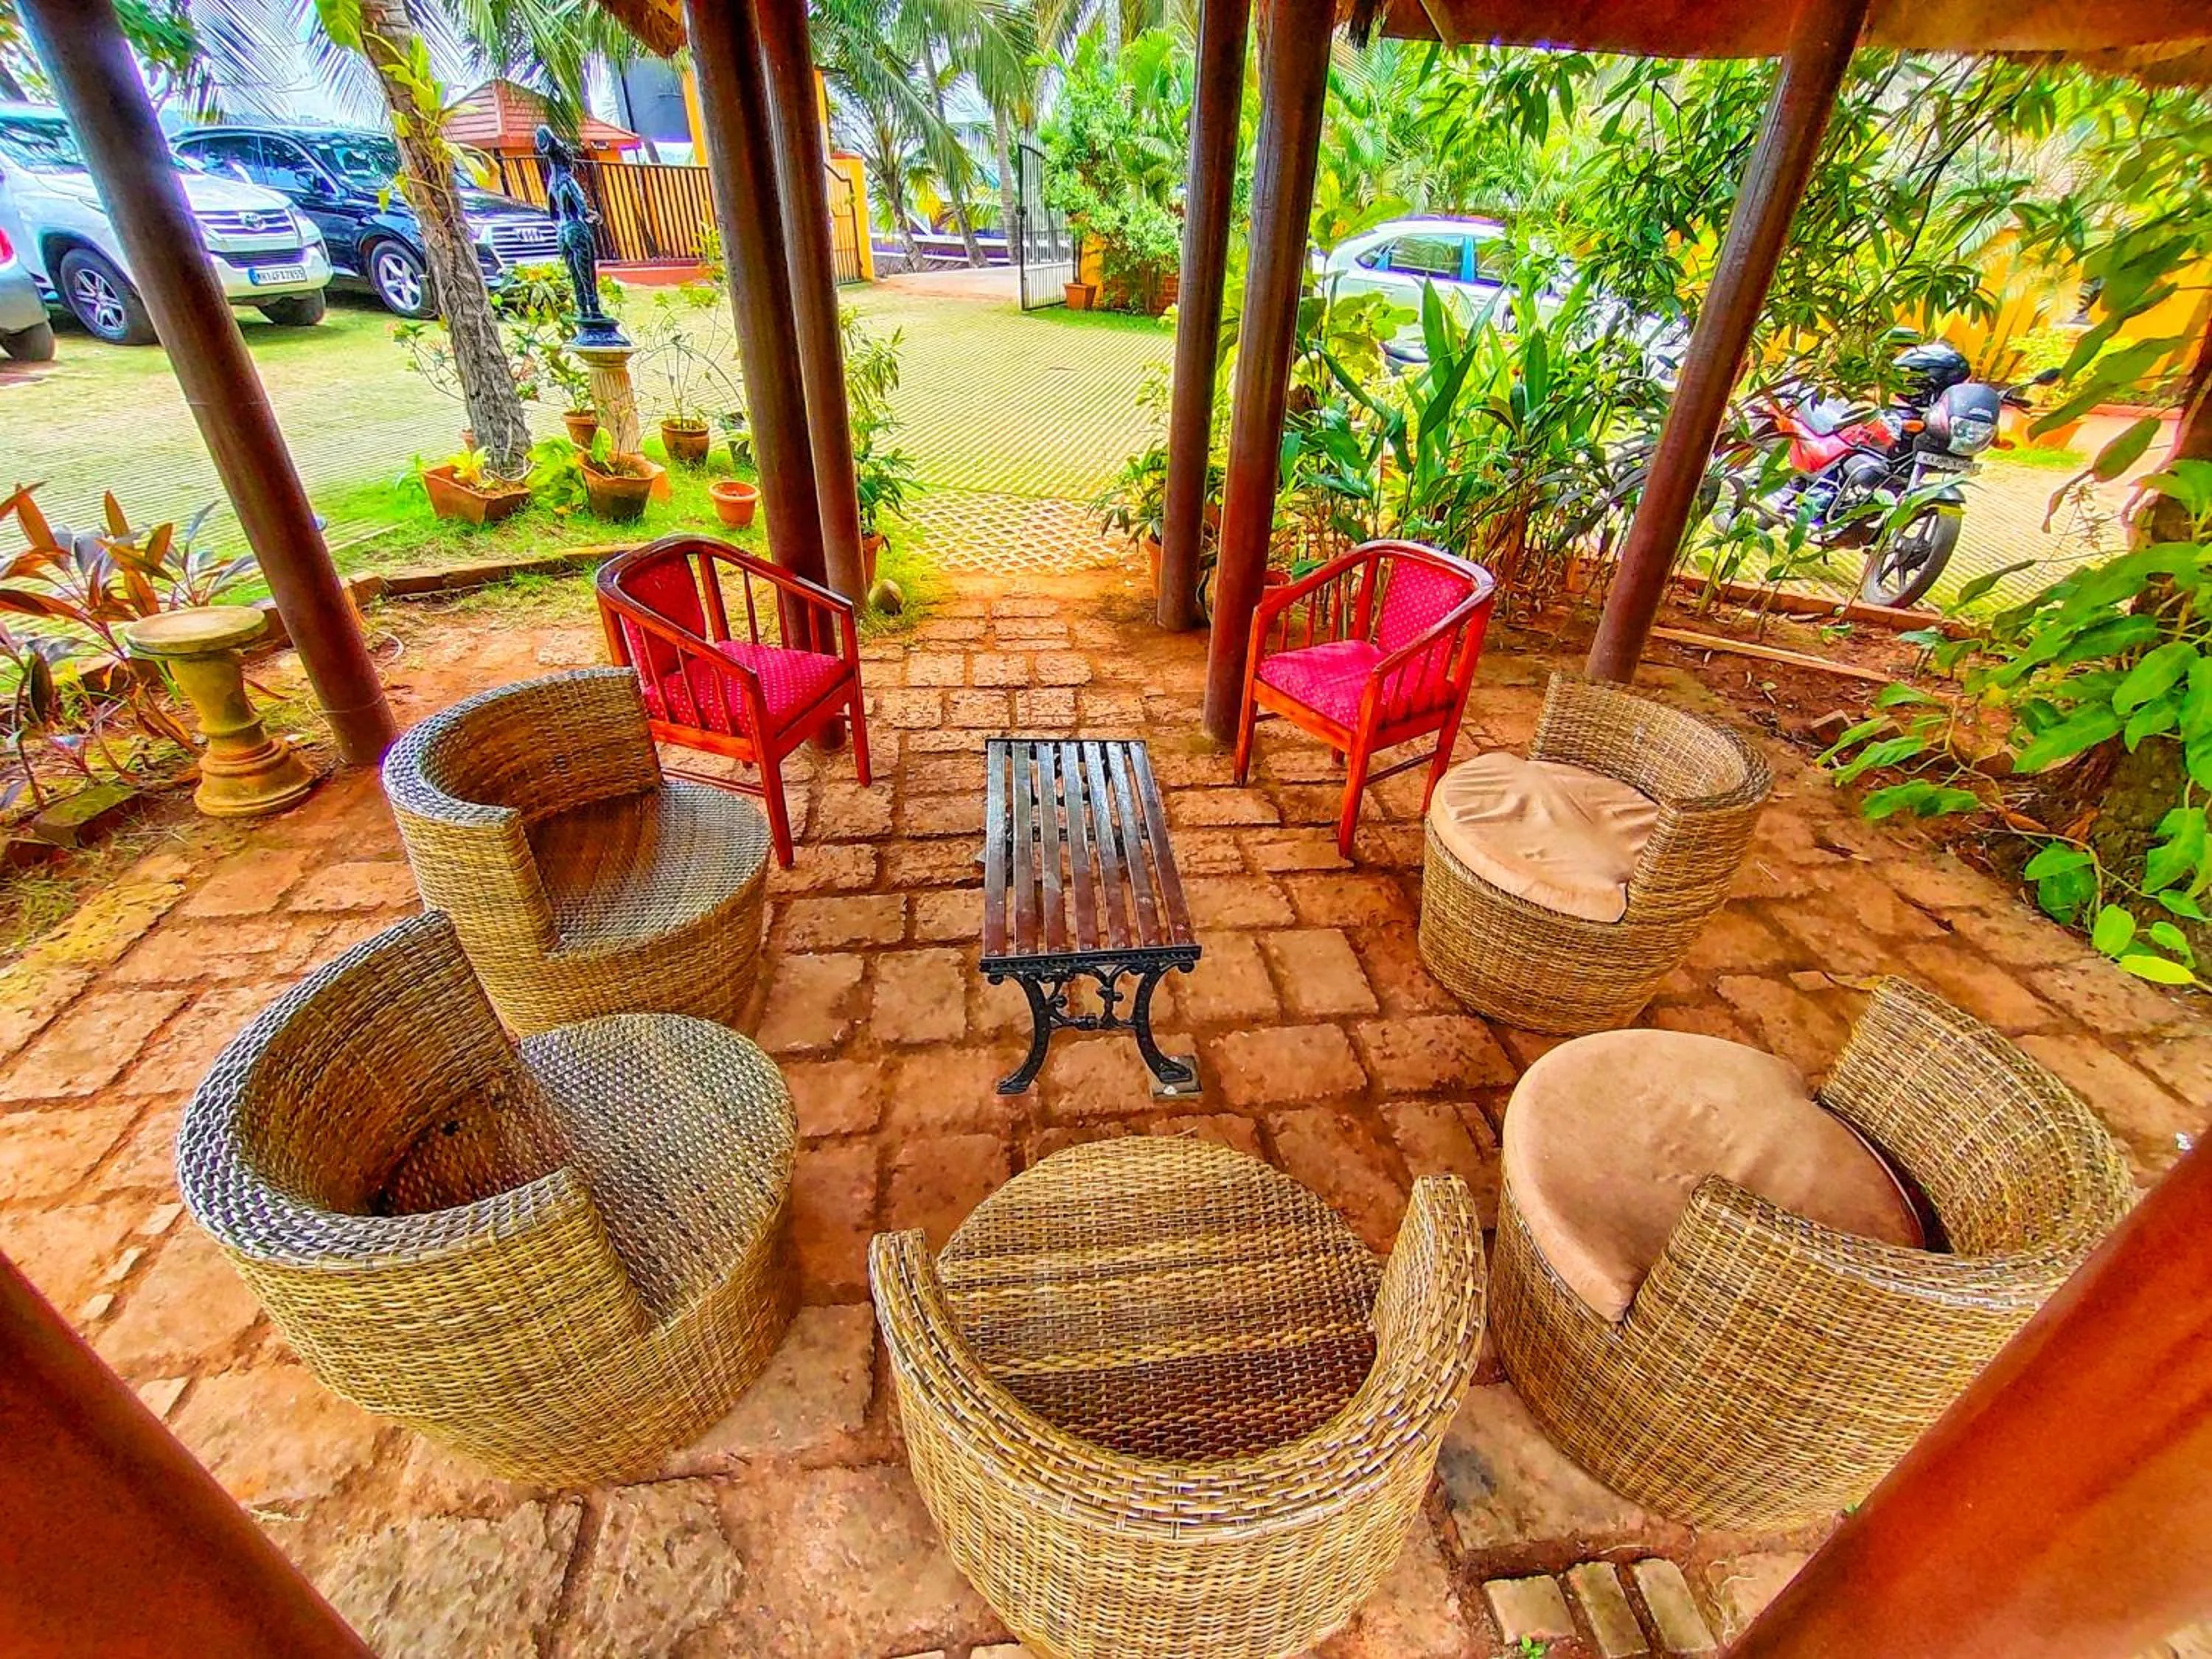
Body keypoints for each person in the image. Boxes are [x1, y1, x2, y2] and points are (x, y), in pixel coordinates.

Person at [536, 124, 625, 345]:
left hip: (563, 233)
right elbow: (583, 211)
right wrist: (596, 217)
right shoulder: (568, 181)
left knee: (576, 275)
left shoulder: (552, 185)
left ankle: (583, 308)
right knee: (587, 275)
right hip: (576, 229)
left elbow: (553, 215)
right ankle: (593, 309)